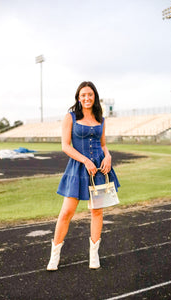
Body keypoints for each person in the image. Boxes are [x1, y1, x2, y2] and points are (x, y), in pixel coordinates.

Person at [47, 81, 120, 271]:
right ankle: (54, 256)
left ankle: (94, 255)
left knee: (97, 212)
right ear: (78, 98)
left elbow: (103, 144)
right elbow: (65, 146)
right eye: (83, 95)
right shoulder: (70, 117)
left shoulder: (101, 119)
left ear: (94, 96)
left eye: (90, 95)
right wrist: (85, 161)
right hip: (78, 169)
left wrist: (109, 156)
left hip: (99, 170)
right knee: (66, 213)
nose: (86, 98)